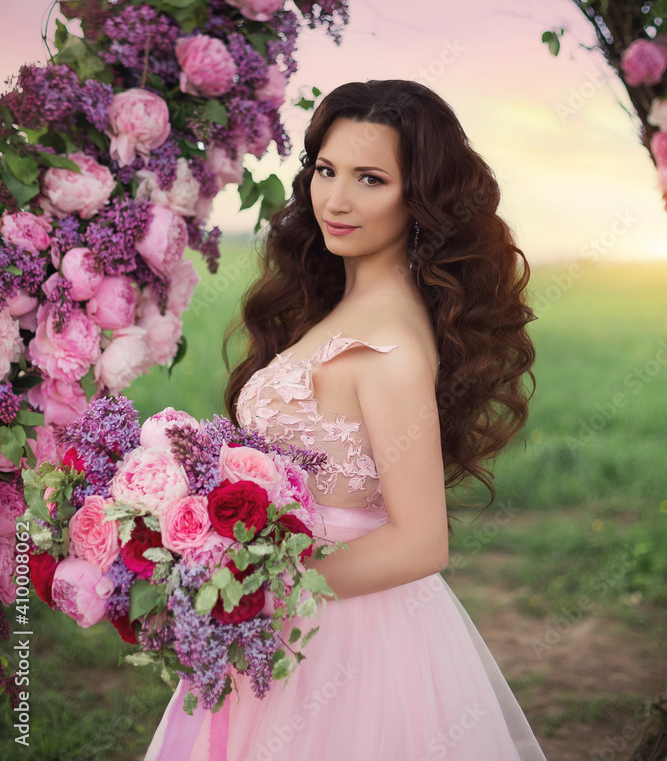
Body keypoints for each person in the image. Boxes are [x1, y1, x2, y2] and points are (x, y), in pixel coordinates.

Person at [144, 79, 549, 760]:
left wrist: (258, 591)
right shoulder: (341, 314)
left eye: (370, 179)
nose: (335, 200)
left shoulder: (385, 344)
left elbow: (422, 543)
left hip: (344, 635)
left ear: (419, 198)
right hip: (288, 617)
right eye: (325, 172)